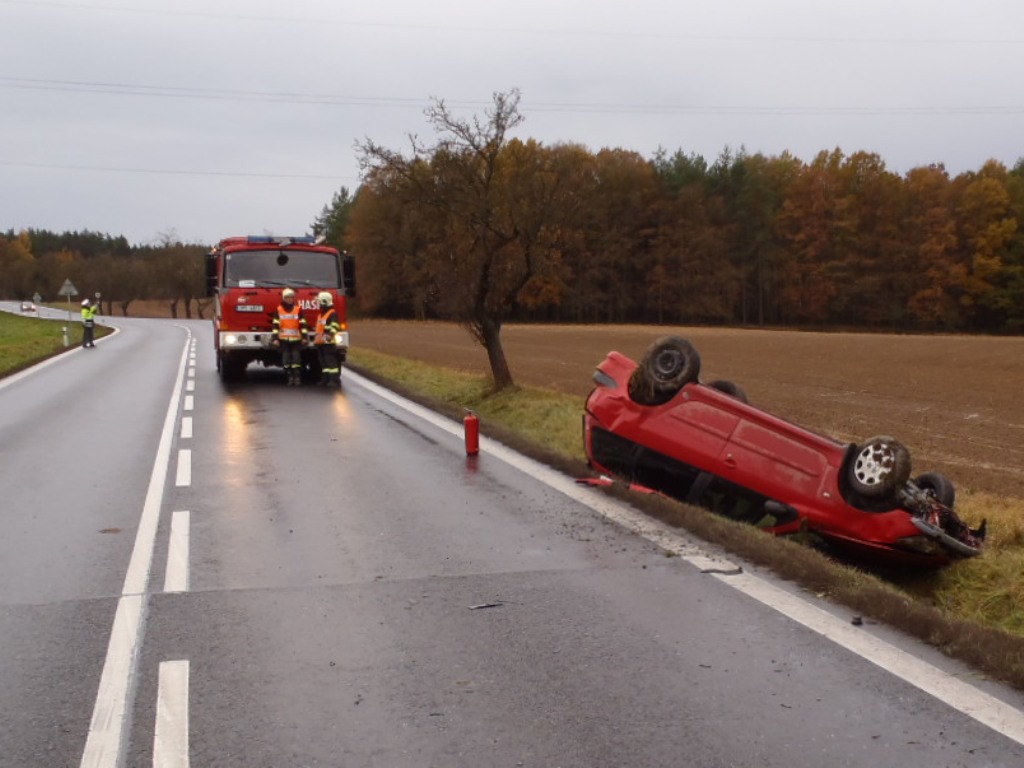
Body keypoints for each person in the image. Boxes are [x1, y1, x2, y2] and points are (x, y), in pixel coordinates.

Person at [270, 288, 308, 386]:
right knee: (285, 360)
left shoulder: (298, 309)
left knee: (296, 360)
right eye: (288, 298)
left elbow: (303, 325)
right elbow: (275, 326)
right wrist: (275, 339)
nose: (290, 300)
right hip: (283, 341)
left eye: (291, 298)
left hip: (296, 340)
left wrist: (304, 337)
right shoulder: (279, 310)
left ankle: (297, 377)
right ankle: (289, 377)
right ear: (284, 298)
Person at [313, 291, 342, 388]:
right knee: (323, 361)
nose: (319, 304)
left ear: (325, 302)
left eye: (320, 301)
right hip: (321, 342)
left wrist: (331, 334)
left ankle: (335, 381)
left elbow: (334, 326)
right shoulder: (322, 314)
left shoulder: (332, 313)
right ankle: (325, 380)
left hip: (328, 342)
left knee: (331, 362)